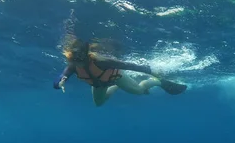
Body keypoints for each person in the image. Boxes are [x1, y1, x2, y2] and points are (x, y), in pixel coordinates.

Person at [53, 39, 187, 106]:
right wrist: (61, 82)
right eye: (74, 60)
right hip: (99, 84)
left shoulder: (101, 61)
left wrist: (151, 71)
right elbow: (59, 79)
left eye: (79, 60)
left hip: (116, 77)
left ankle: (157, 82)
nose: (77, 64)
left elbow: (127, 65)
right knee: (99, 103)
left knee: (140, 91)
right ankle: (117, 88)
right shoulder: (72, 66)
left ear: (85, 56)